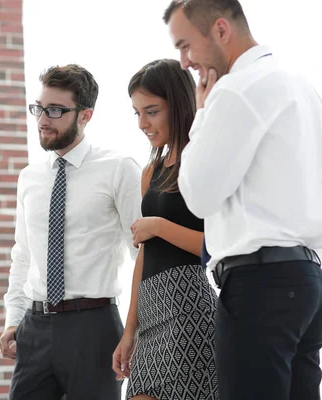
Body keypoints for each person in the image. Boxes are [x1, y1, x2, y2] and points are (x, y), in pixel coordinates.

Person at [164, 1, 322, 399]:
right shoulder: (300, 85)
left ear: (220, 30)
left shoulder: (235, 89)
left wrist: (201, 114)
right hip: (307, 282)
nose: (184, 62)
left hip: (260, 286)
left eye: (186, 45)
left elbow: (198, 196)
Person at [0, 64, 142, 399]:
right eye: (39, 108)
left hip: (94, 327)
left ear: (86, 115)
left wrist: (136, 329)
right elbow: (23, 255)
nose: (43, 120)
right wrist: (13, 319)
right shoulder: (29, 177)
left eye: (56, 110)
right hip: (34, 326)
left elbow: (143, 255)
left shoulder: (118, 170)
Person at [112, 59, 218, 400]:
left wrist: (159, 225)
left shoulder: (201, 164)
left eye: (152, 111)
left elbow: (217, 244)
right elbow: (144, 255)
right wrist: (130, 331)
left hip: (191, 311)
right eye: (137, 112)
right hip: (152, 312)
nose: (142, 123)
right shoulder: (150, 172)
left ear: (179, 104)